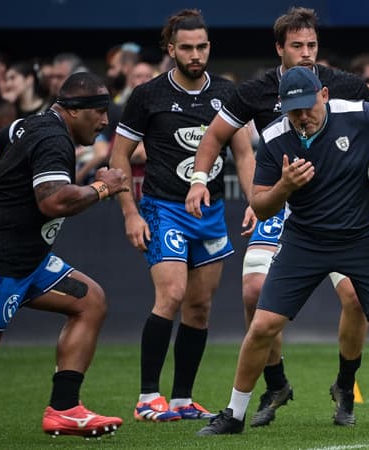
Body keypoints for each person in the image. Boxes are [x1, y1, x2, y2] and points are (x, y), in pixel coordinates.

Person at [195, 66, 369, 436]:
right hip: (304, 241)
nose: (302, 116)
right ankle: (234, 414)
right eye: (293, 109)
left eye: (308, 106)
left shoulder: (361, 115)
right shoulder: (273, 138)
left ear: (325, 95)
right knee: (263, 326)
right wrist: (284, 187)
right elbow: (261, 204)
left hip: (361, 240)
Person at [186, 6, 369, 428]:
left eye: (312, 45)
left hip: (340, 205)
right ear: (279, 49)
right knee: (254, 293)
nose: (307, 53)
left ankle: (345, 384)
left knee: (357, 299)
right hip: (280, 202)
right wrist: (200, 179)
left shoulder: (343, 85)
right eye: (297, 46)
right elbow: (214, 136)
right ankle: (276, 383)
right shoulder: (256, 91)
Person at [110, 9, 253, 423]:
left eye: (202, 47)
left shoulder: (228, 94)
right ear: (170, 49)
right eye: (187, 48)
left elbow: (243, 153)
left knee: (199, 308)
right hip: (162, 208)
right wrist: (130, 213)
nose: (195, 54)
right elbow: (118, 156)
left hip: (208, 213)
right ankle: (147, 397)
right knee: (170, 295)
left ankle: (181, 400)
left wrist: (253, 203)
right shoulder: (147, 95)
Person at [0, 72, 127, 438]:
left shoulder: (25, 126)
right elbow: (53, 201)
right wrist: (104, 186)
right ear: (74, 111)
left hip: (30, 259)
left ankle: (65, 410)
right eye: (99, 112)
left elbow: (4, 143)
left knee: (90, 301)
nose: (105, 121)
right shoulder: (54, 138)